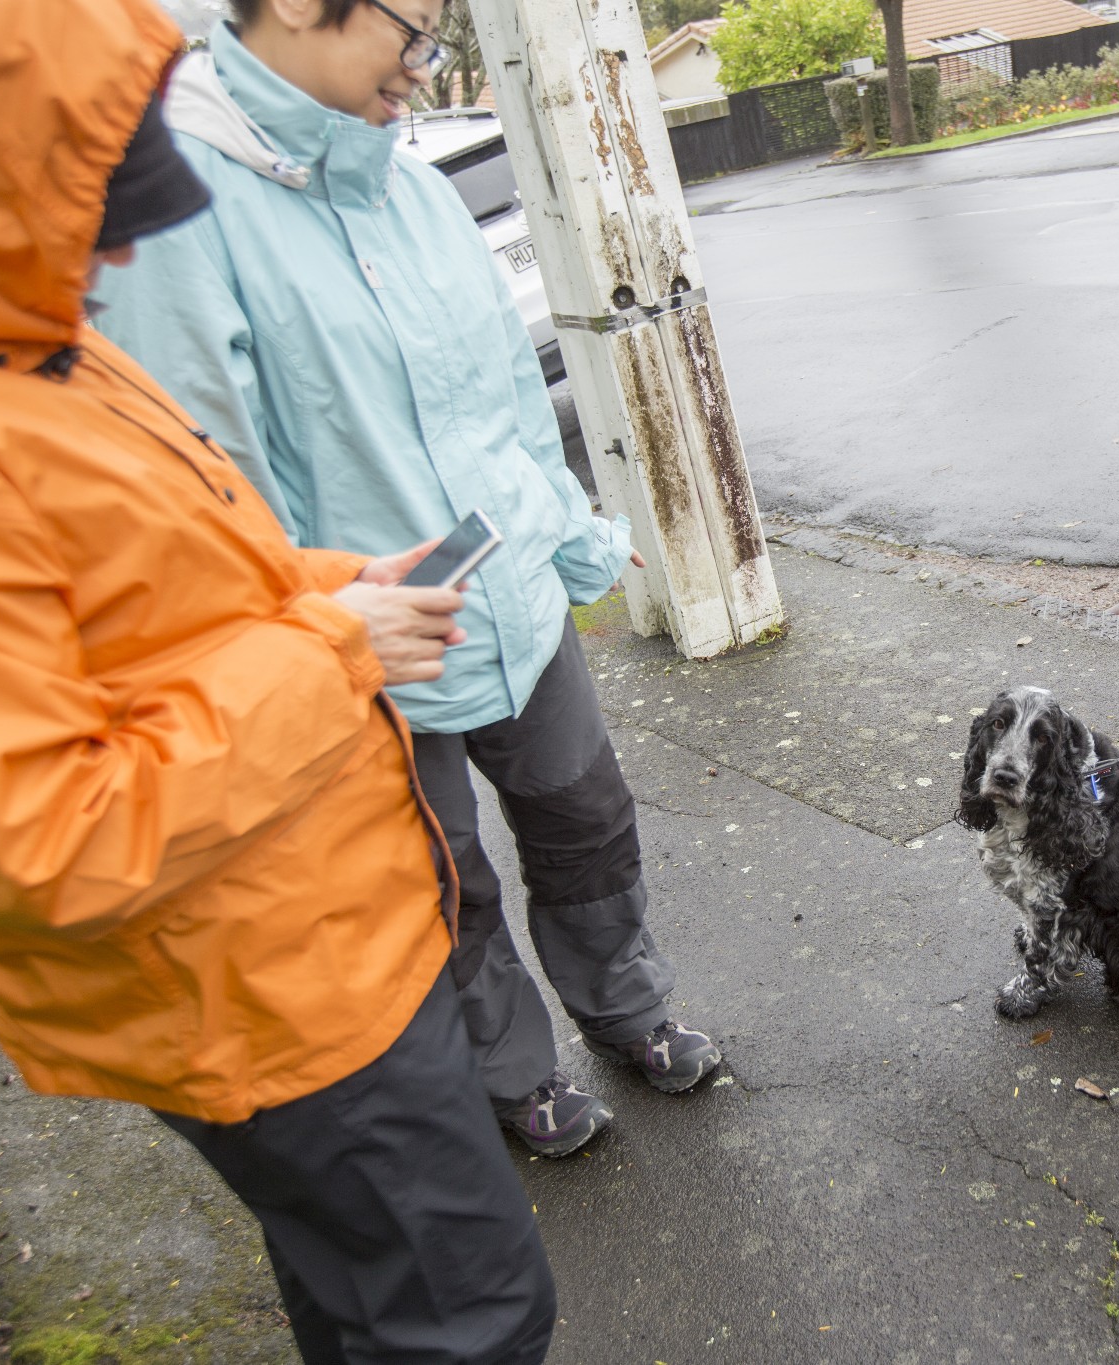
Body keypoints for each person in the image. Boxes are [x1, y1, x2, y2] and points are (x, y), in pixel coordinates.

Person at [0, 1, 556, 1358]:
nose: (124, 243)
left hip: (310, 937)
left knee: (363, 1290)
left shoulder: (37, 348)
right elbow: (48, 837)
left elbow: (169, 580)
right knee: (474, 1317)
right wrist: (335, 650)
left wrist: (328, 584)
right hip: (265, 999)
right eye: (89, 200)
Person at [94, 0, 722, 1160]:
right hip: (361, 645)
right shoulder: (177, 206)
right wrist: (309, 638)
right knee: (446, 881)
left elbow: (501, 406)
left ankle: (629, 1011)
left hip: (513, 598)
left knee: (587, 823)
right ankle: (511, 1075)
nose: (427, 70)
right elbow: (194, 492)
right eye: (414, 31)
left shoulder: (413, 185)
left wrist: (574, 530)